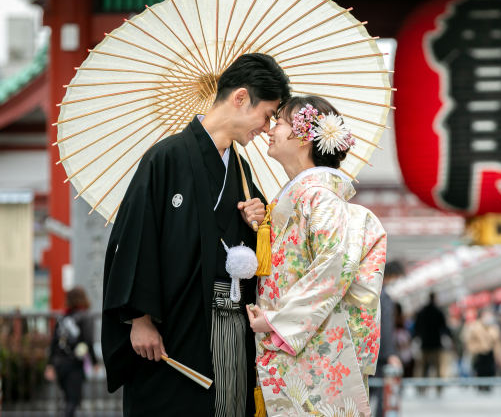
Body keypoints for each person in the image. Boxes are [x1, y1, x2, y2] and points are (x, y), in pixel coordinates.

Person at [101, 53, 289, 417]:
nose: (267, 128)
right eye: (266, 115)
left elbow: (249, 252)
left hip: (231, 321)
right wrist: (139, 319)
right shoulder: (165, 158)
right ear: (239, 98)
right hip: (176, 321)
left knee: (230, 404)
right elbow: (136, 238)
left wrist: (257, 221)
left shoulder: (240, 168)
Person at [246, 95, 387, 417]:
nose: (270, 129)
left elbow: (333, 267)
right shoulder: (306, 196)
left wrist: (278, 321)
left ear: (303, 137)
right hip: (297, 340)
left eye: (278, 122)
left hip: (302, 340)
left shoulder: (319, 198)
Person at [45, 287, 98, 417]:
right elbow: (88, 341)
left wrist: (50, 364)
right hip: (73, 363)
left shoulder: (62, 317)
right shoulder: (85, 316)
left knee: (69, 398)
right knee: (74, 400)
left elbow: (53, 342)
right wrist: (94, 362)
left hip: (59, 364)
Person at [372, 261, 406, 417]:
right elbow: (385, 327)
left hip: (367, 352)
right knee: (382, 394)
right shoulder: (383, 297)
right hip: (380, 356)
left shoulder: (370, 292)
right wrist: (391, 354)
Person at [413, 292, 451, 394]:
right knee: (437, 368)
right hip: (436, 344)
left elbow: (416, 327)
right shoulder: (438, 311)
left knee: (423, 368)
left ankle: (422, 389)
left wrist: (417, 337)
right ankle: (439, 389)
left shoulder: (422, 311)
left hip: (425, 344)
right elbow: (444, 327)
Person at [462, 308, 501, 391]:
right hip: (479, 354)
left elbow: (498, 343)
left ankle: (488, 387)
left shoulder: (494, 327)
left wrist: (500, 356)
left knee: (490, 371)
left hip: (490, 354)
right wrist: (475, 349)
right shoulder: (474, 326)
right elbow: (468, 341)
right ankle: (480, 387)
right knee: (480, 371)